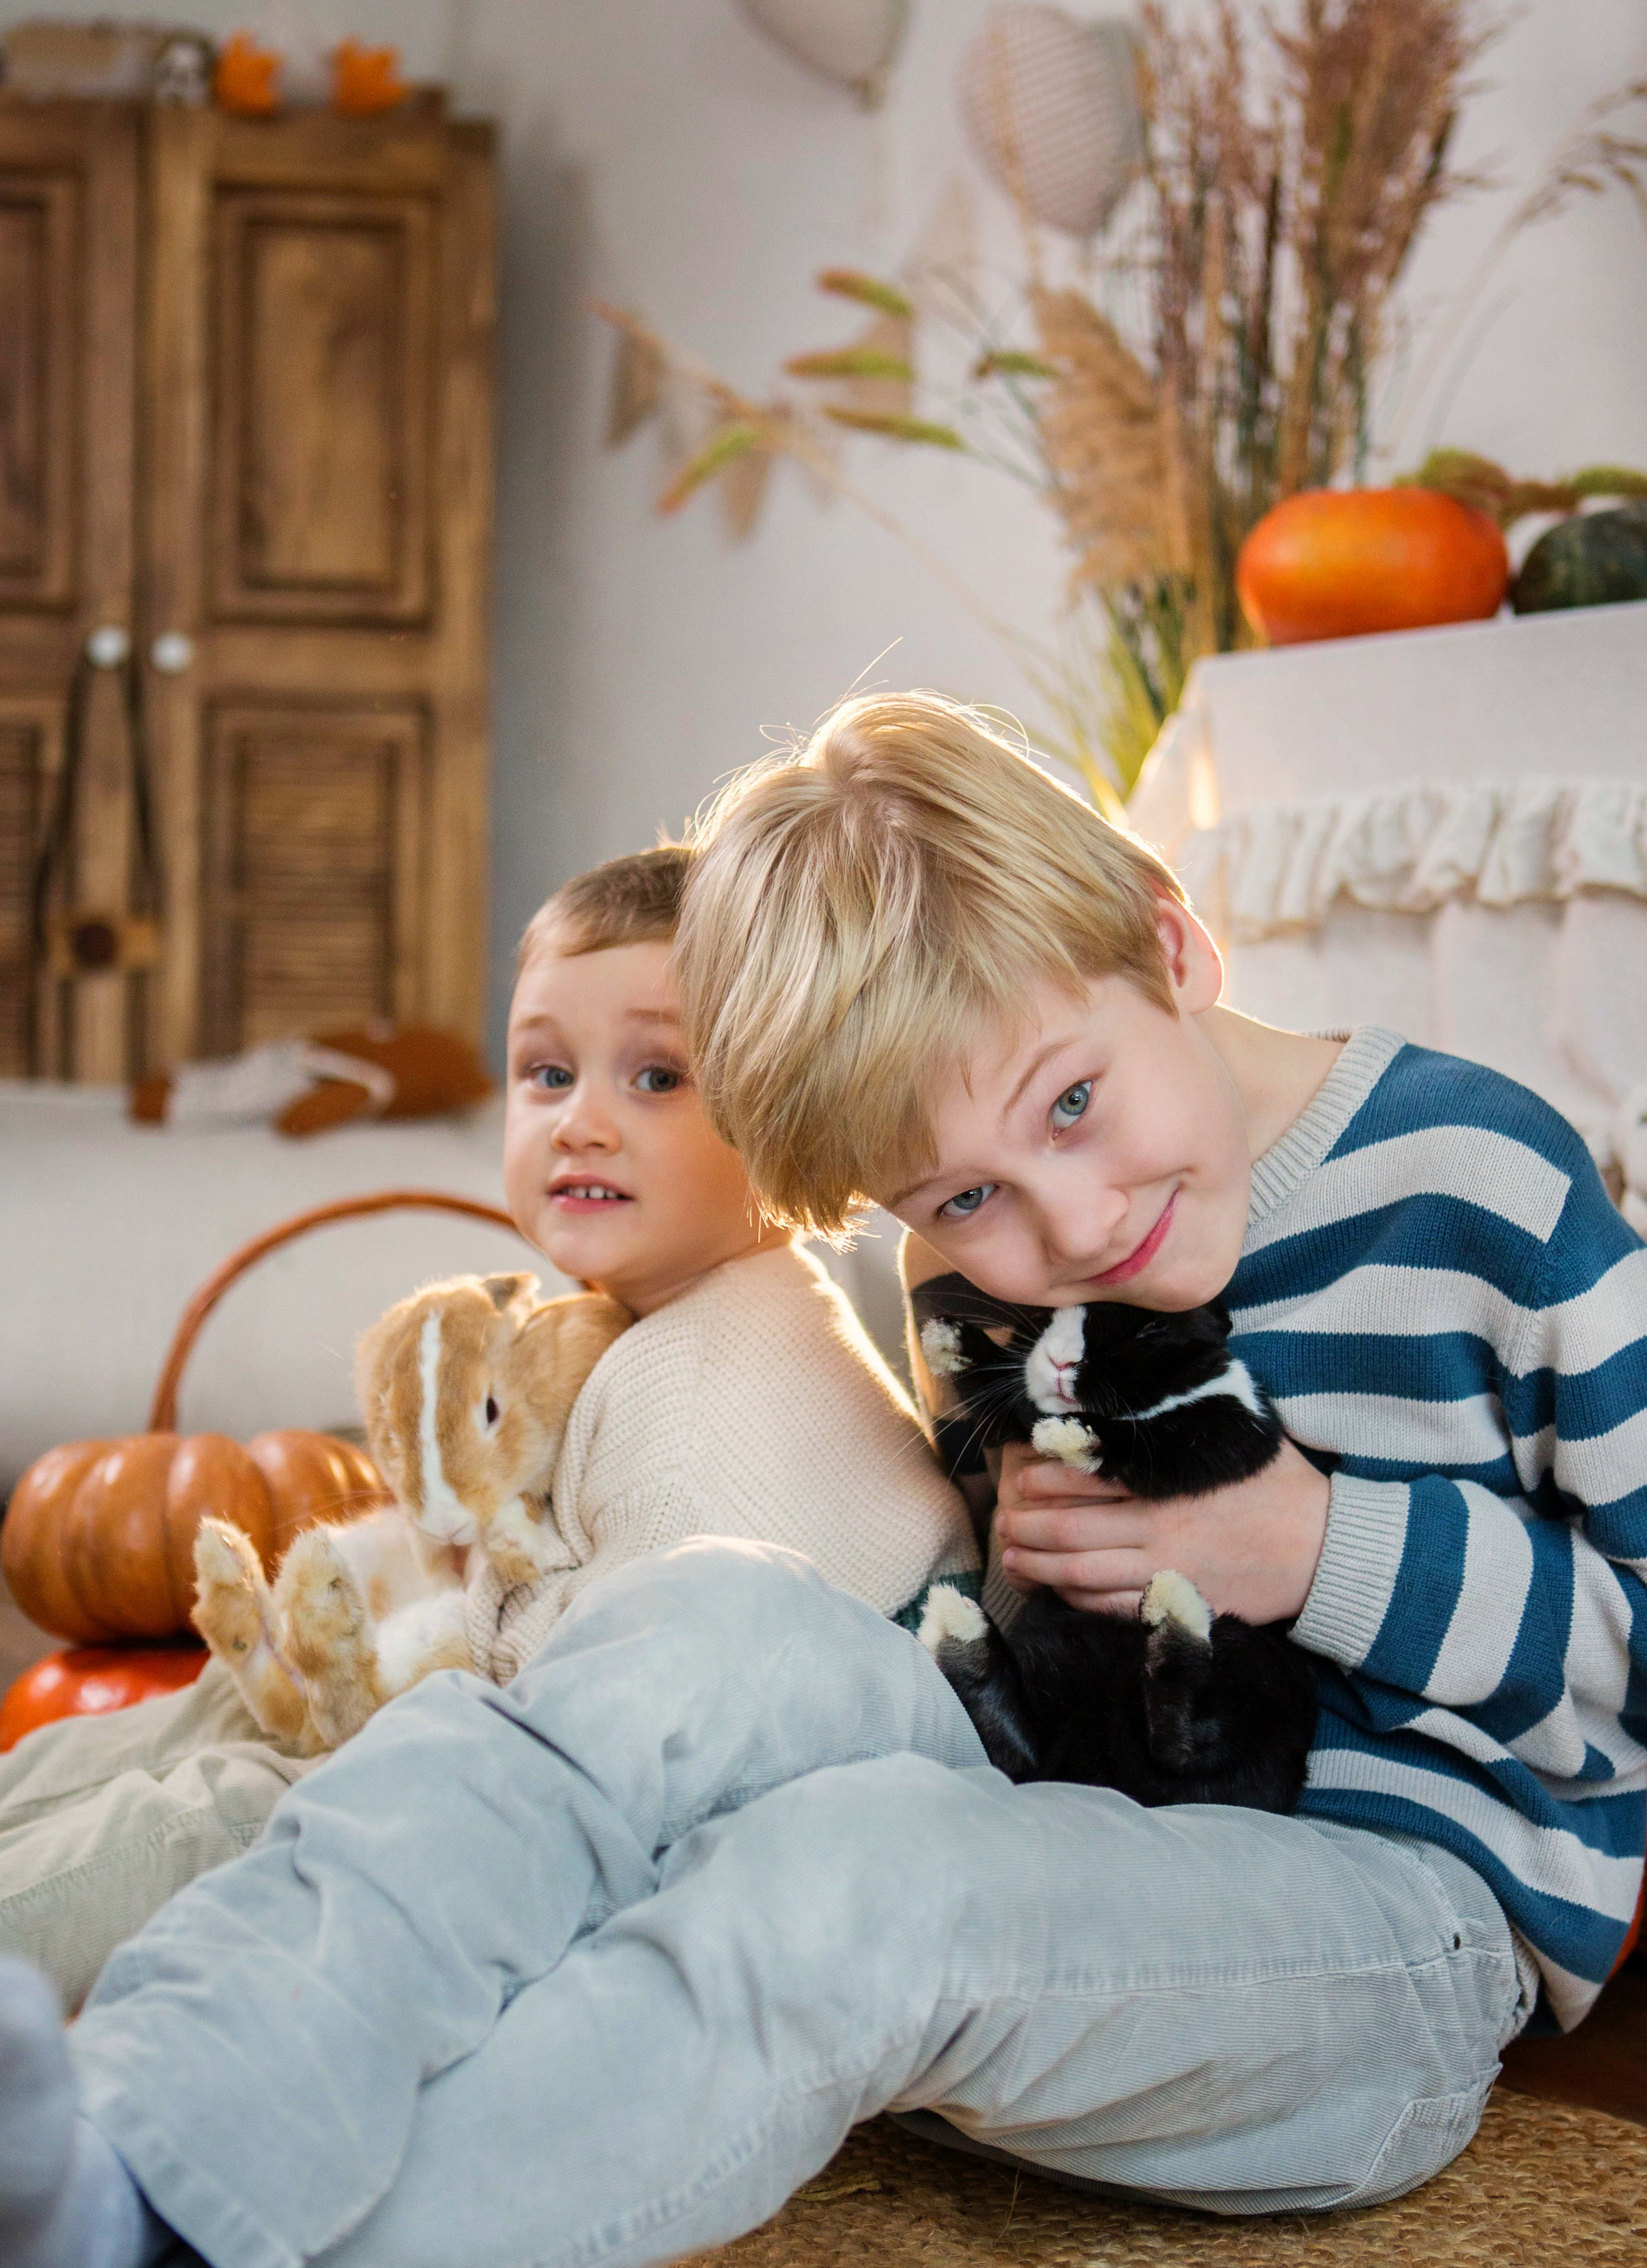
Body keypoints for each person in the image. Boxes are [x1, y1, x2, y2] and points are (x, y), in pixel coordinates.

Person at [3, 695, 1647, 2268]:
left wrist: (1311, 1547)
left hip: (1393, 1934)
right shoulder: (981, 1278)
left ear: (1167, 933)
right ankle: (123, 2170)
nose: (1062, 1230)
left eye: (1076, 1102)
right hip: (1062, 1815)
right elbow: (1009, 1646)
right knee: (684, 1624)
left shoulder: (1477, 1175)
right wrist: (1038, 1569)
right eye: (955, 1201)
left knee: (843, 1887)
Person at [0, 843, 975, 2013]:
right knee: (208, 1709)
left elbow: (626, 1721)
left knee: (233, 1807)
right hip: (592, 1721)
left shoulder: (717, 1382)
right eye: (548, 1073)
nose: (581, 1122)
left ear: (793, 1117)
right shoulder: (638, 1322)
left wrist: (429, 1652)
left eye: (658, 1077)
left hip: (731, 1810)